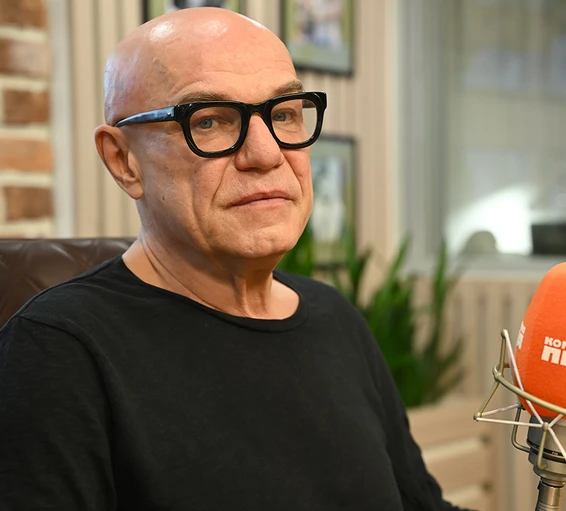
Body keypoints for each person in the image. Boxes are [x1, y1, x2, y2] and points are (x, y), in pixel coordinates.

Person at [0, 8, 470, 511]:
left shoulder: (335, 318)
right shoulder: (57, 352)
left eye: (284, 113)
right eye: (209, 120)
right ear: (123, 160)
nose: (266, 154)